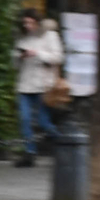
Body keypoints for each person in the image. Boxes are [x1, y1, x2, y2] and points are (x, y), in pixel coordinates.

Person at [13, 9, 64, 166]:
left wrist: (37, 53)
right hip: (25, 85)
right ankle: (30, 152)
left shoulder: (50, 36)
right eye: (25, 23)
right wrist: (19, 56)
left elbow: (58, 57)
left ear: (37, 22)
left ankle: (66, 144)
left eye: (30, 22)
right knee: (25, 119)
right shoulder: (22, 38)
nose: (27, 25)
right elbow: (14, 64)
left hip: (44, 85)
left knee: (43, 122)